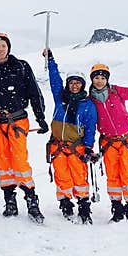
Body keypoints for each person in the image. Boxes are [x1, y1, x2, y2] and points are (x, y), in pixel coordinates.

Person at [0, 32, 48, 222]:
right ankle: (9, 200)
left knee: (20, 161)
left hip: (17, 120)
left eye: (3, 45)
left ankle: (31, 200)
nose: (0, 48)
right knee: (3, 164)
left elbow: (34, 93)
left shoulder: (21, 67)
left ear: (8, 47)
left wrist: (40, 117)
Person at [88, 59, 128, 221]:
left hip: (126, 139)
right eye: (96, 77)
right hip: (108, 142)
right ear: (92, 79)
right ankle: (117, 208)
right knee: (113, 175)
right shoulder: (90, 100)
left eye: (103, 77)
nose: (99, 80)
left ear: (107, 79)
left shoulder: (116, 92)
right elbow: (88, 124)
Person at [42, 49, 98, 224]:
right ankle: (65, 203)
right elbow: (54, 79)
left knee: (80, 177)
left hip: (77, 147)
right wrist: (50, 60)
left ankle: (83, 205)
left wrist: (88, 147)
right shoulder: (61, 97)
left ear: (82, 85)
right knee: (62, 176)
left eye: (78, 83)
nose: (74, 86)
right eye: (72, 83)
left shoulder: (88, 104)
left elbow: (90, 128)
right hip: (58, 145)